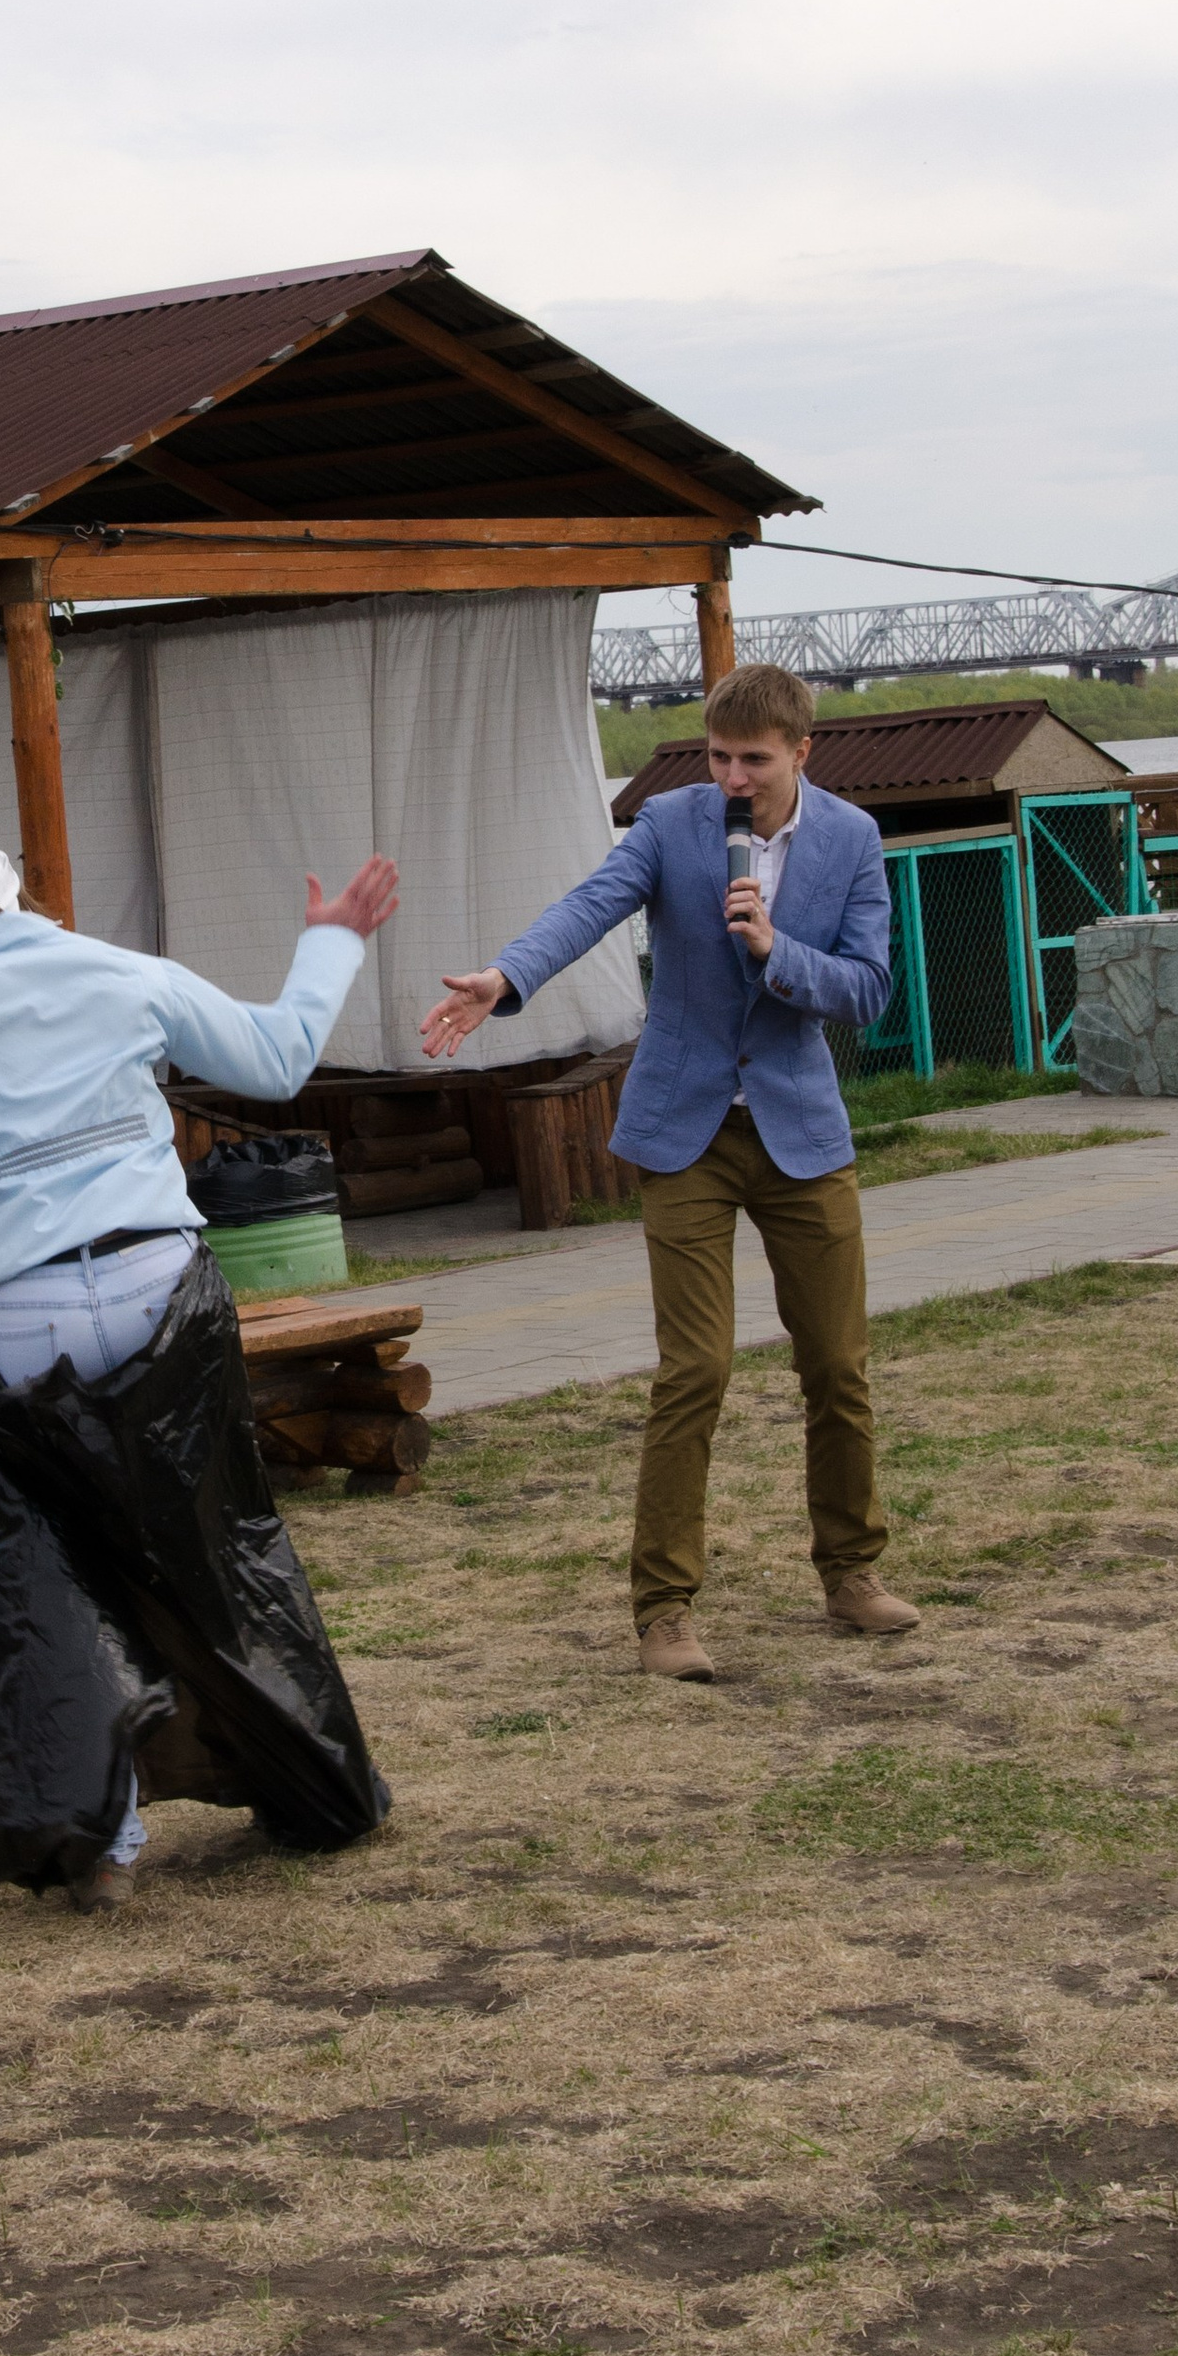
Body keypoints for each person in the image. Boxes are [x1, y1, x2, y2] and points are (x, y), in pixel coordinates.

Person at [0, 822, 398, 1906]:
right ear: (16, 894)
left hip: (24, 1307)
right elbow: (281, 1057)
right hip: (160, 1289)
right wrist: (330, 940)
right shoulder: (121, 971)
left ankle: (104, 1836)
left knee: (58, 1566)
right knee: (213, 1545)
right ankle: (306, 1778)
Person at [421, 661, 914, 1681]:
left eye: (753, 759)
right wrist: (503, 978)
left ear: (800, 753)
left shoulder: (851, 841)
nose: (732, 776)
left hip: (799, 1134)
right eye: (718, 755)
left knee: (836, 1363)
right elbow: (588, 905)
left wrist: (778, 949)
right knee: (694, 1369)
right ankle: (664, 1611)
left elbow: (867, 990)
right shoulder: (671, 823)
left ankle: (851, 1569)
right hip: (683, 1127)